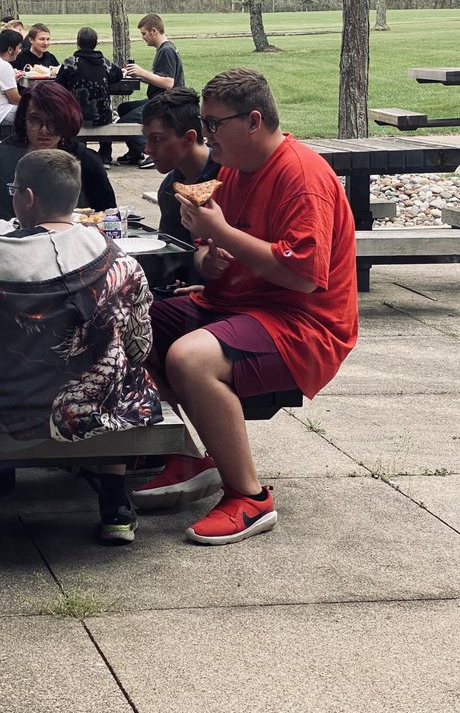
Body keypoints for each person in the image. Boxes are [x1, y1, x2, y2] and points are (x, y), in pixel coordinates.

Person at [135, 68, 358, 544]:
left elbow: (301, 277)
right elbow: (203, 250)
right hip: (238, 305)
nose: (207, 135)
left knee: (189, 358)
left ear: (253, 120)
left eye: (214, 124)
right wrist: (207, 258)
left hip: (305, 324)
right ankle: (189, 454)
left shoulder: (302, 177)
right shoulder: (233, 172)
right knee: (130, 320)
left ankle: (250, 498)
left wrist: (223, 235)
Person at [0, 149, 165, 544]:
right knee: (119, 364)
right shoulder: (118, 259)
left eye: (15, 191)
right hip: (89, 408)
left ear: (27, 198)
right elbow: (140, 345)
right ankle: (115, 502)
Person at [0, 81, 116, 220]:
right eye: (35, 120)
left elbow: (108, 215)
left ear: (66, 121)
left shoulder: (87, 163)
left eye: (53, 121)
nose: (44, 130)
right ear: (23, 120)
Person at [141, 88, 220, 250]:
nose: (147, 149)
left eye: (156, 139)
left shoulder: (226, 178)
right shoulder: (169, 189)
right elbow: (169, 255)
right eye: (146, 138)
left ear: (189, 138)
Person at [115, 14, 186, 166]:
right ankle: (135, 153)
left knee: (125, 122)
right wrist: (137, 75)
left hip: (167, 102)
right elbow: (158, 78)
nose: (143, 37)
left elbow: (168, 83)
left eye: (144, 33)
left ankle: (153, 153)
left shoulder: (166, 51)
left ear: (154, 31)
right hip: (159, 98)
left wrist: (142, 72)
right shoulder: (164, 49)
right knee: (124, 108)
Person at [56, 27, 122, 164]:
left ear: (78, 42)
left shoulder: (71, 63)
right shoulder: (104, 63)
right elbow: (118, 75)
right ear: (96, 43)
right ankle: (105, 155)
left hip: (78, 117)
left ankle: (79, 152)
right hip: (102, 116)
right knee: (106, 111)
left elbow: (58, 83)